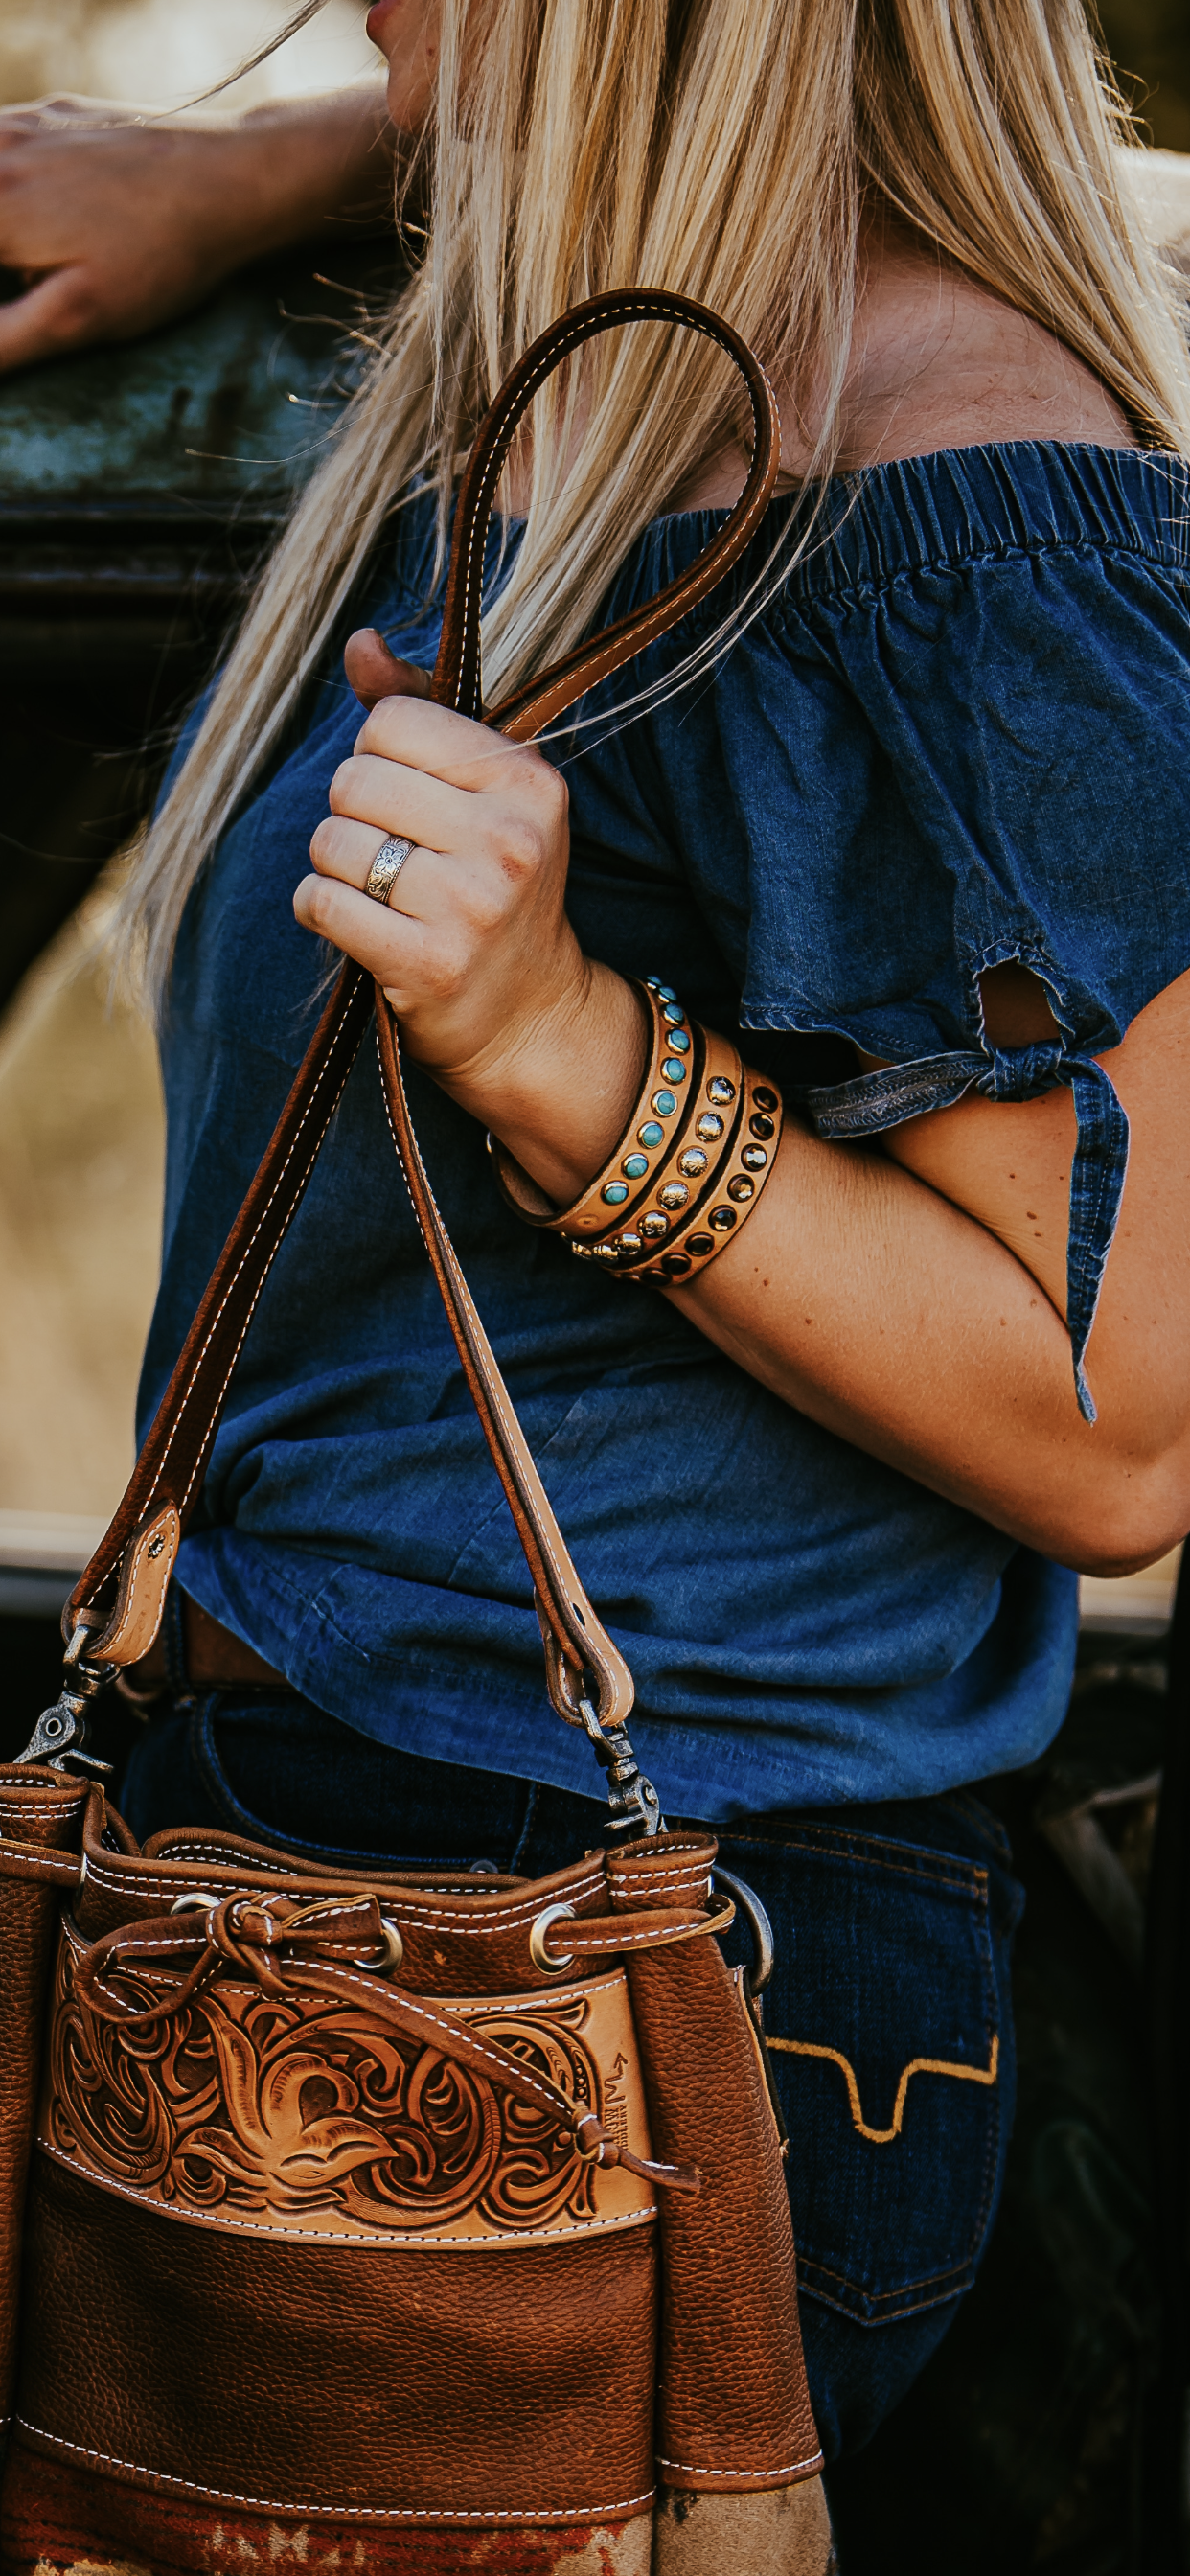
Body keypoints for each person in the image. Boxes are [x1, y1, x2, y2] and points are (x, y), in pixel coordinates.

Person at [5, 0, 1190, 2480]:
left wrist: (564, 1049)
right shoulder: (591, 370)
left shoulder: (968, 508)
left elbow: (1117, 1425)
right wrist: (281, 168)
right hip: (325, 1863)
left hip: (608, 1969)